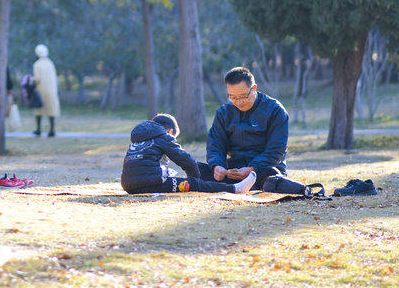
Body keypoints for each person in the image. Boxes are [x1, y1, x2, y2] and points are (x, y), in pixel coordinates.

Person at [199, 67, 297, 192]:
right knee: (197, 170)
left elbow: (276, 151)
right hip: (234, 171)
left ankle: (234, 187)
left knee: (271, 174)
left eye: (243, 96)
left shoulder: (275, 110)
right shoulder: (224, 112)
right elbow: (215, 145)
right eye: (232, 97)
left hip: (261, 171)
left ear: (254, 89)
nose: (239, 102)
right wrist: (217, 166)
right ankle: (237, 186)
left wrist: (252, 169)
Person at [121, 113, 257, 194]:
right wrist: (194, 178)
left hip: (129, 185)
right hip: (150, 183)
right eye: (175, 136)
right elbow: (186, 160)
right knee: (194, 184)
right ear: (169, 131)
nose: (173, 139)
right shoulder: (163, 137)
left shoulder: (138, 140)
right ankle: (235, 189)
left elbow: (141, 165)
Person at [31, 44, 60, 137]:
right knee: (51, 110)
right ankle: (52, 130)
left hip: (41, 90)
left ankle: (39, 129)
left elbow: (37, 78)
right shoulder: (50, 63)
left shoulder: (37, 64)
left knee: (39, 110)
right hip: (51, 90)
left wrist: (31, 81)